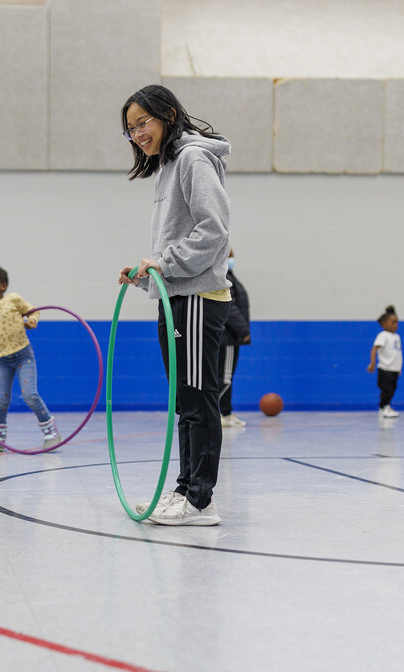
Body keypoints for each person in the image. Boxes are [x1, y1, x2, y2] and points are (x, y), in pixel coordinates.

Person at [117, 85, 231, 526]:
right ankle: (186, 490)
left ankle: (200, 501)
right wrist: (147, 271)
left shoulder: (192, 159)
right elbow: (176, 242)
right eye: (130, 130)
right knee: (184, 398)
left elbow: (214, 230)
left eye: (142, 123)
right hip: (177, 296)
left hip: (199, 297)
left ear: (167, 113)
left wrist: (163, 262)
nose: (138, 135)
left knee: (197, 399)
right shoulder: (168, 167)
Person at [0, 261, 62, 453]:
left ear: (3, 286)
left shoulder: (13, 299)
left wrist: (31, 320)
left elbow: (35, 312)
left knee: (30, 395)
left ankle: (51, 434)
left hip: (23, 356)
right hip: (2, 360)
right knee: (1, 401)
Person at [218, 248, 250, 427]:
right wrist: (243, 330)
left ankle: (224, 412)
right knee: (225, 377)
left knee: (223, 375)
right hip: (228, 337)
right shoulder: (225, 278)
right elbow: (230, 308)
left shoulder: (228, 276)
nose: (232, 260)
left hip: (226, 336)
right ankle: (221, 413)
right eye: (230, 257)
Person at [367, 305, 401, 418]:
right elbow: (374, 348)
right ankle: (383, 408)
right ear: (384, 324)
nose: (396, 325)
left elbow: (397, 354)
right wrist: (372, 363)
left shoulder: (396, 337)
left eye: (397, 322)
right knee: (386, 390)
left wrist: (399, 368)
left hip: (394, 369)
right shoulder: (383, 336)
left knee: (392, 389)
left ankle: (387, 406)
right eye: (393, 322)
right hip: (385, 369)